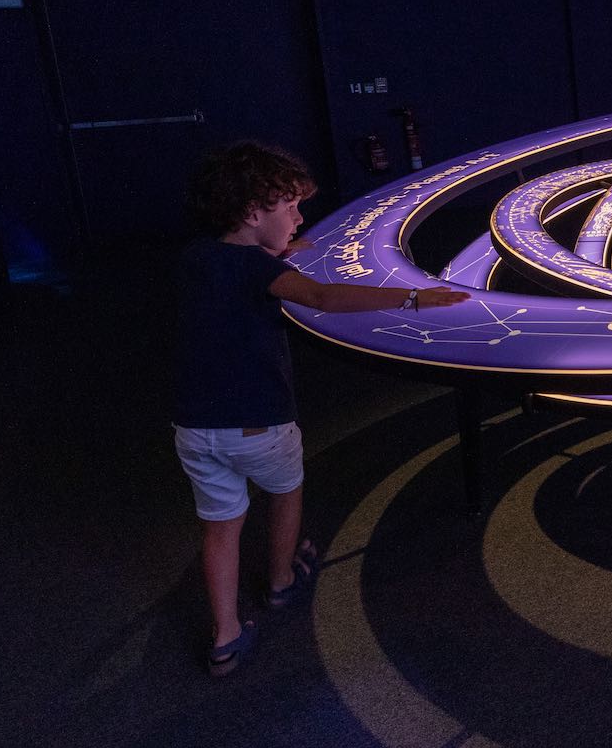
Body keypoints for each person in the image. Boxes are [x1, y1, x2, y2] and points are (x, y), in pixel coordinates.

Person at [175, 141, 466, 676]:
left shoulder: (197, 257)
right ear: (252, 212)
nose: (299, 218)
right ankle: (281, 580)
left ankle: (225, 636)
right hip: (260, 425)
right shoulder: (257, 270)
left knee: (220, 526)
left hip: (195, 430)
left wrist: (282, 250)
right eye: (290, 208)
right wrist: (414, 297)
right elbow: (322, 297)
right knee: (286, 493)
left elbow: (238, 266)